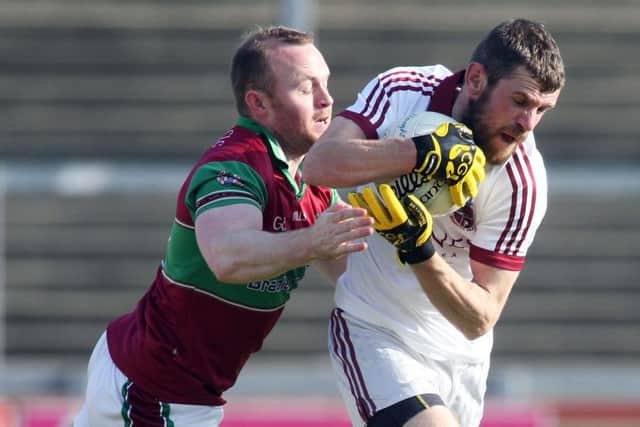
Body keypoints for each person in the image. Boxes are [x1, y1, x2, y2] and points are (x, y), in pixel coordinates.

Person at [72, 25, 375, 427]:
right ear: (258, 103)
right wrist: (313, 241)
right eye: (306, 88)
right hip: (155, 385)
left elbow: (362, 277)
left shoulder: (312, 184)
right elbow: (228, 257)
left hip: (169, 384)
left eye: (326, 83)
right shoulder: (235, 165)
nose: (327, 100)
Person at [302, 18, 565, 427]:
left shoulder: (524, 180)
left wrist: (418, 248)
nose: (528, 124)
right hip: (375, 328)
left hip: (461, 359)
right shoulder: (405, 91)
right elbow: (318, 165)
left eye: (541, 111)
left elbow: (480, 317)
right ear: (476, 79)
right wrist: (416, 153)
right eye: (519, 101)